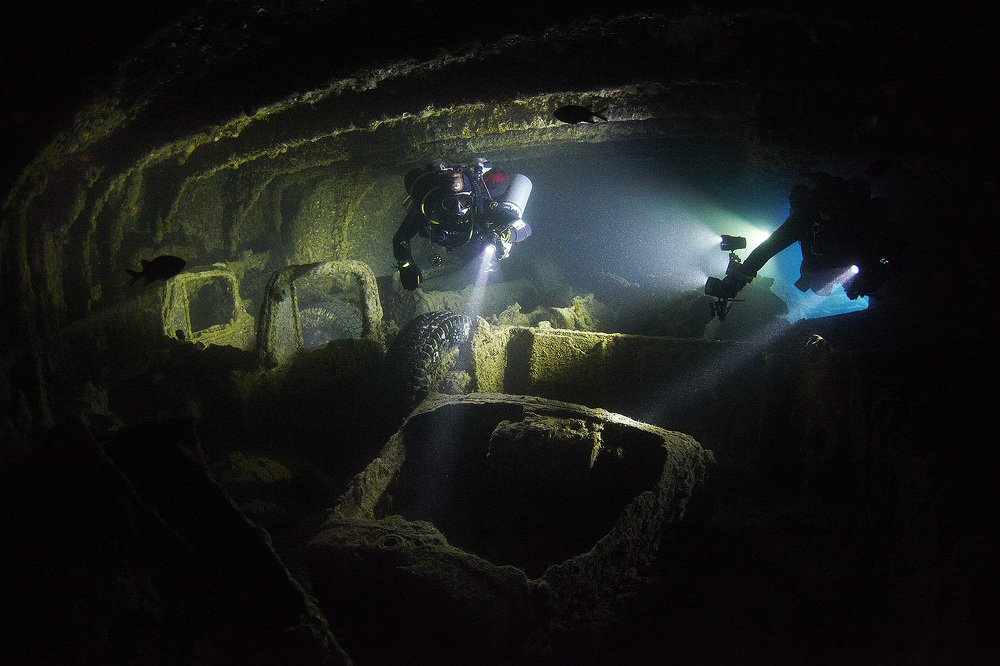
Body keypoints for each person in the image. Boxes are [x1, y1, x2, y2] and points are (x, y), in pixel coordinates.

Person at [719, 172, 891, 301]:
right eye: (827, 207)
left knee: (864, 280)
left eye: (835, 207)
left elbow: (769, 247)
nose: (831, 211)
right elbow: (770, 247)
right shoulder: (806, 219)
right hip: (839, 259)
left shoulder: (854, 219)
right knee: (822, 284)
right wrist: (739, 278)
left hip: (852, 257)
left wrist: (740, 277)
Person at [392, 158, 532, 290]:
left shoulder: (479, 204)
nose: (458, 208)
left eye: (464, 202)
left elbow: (524, 228)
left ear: (471, 198)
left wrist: (505, 235)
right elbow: (401, 238)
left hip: (473, 241)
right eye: (450, 203)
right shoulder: (429, 209)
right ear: (440, 201)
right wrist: (406, 266)